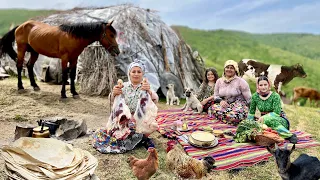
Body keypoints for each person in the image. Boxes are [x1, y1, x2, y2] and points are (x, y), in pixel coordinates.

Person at [93, 60, 159, 153]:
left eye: (139, 72)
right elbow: (111, 100)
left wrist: (149, 91)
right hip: (126, 119)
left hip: (140, 119)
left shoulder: (145, 86)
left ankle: (143, 138)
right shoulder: (123, 86)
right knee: (116, 131)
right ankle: (138, 139)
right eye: (133, 71)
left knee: (145, 126)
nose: (136, 74)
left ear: (142, 74)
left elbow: (156, 99)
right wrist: (114, 93)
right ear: (129, 73)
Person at [247, 75, 297, 143]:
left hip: (279, 120)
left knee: (269, 121)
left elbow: (277, 113)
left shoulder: (275, 96)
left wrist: (264, 118)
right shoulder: (255, 96)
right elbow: (251, 112)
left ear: (269, 85)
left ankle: (289, 135)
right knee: (257, 127)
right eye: (261, 85)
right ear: (257, 86)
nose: (263, 87)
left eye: (265, 84)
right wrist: (248, 124)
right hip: (263, 121)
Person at [209, 60, 251, 126]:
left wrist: (251, 112)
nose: (229, 69)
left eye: (232, 68)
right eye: (227, 67)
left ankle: (228, 120)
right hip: (226, 104)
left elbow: (249, 99)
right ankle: (229, 120)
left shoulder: (241, 82)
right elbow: (216, 95)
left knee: (236, 114)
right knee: (212, 108)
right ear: (224, 69)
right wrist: (220, 101)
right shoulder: (219, 81)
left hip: (239, 105)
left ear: (235, 70)